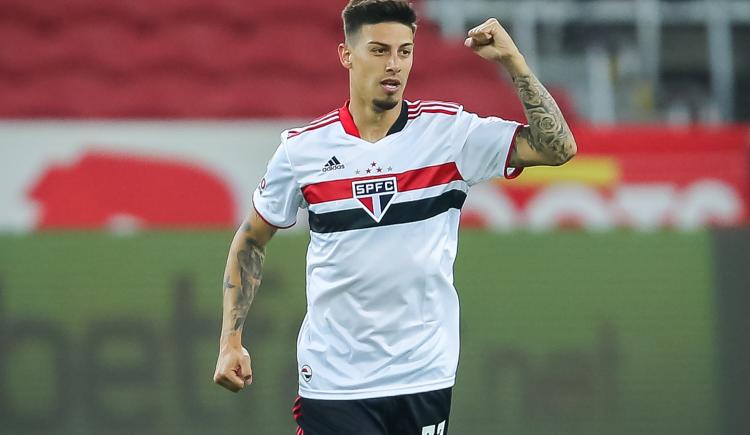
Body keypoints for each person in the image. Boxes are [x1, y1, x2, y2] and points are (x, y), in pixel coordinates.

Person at [213, 1, 576, 433]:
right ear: (347, 55)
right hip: (334, 382)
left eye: (405, 51)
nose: (394, 64)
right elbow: (251, 239)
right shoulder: (303, 150)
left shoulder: (449, 135)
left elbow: (558, 148)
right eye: (379, 50)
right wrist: (230, 340)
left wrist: (514, 62)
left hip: (423, 375)